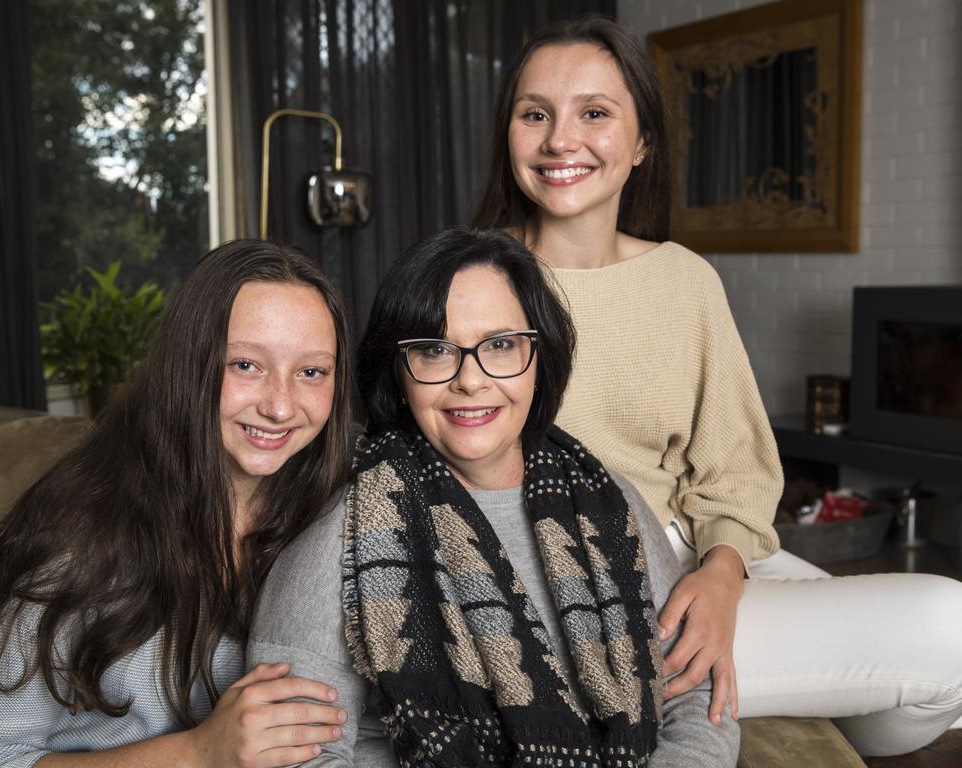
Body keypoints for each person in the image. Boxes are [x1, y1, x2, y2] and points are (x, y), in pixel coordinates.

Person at [471, 13, 962, 756]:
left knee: (948, 665)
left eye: (594, 113)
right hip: (590, 591)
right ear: (508, 132)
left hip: (702, 547)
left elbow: (733, 466)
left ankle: (774, 690)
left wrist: (724, 576)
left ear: (641, 144)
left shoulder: (684, 280)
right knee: (944, 631)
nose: (559, 140)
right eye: (534, 113)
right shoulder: (466, 283)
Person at [248, 228, 740, 767]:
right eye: (435, 351)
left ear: (540, 355)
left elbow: (693, 699)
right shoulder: (342, 539)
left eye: (501, 345)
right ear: (398, 370)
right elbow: (294, 761)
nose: (471, 380)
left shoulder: (609, 502)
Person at [0, 240, 353, 767]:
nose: (279, 405)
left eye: (311, 372)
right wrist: (199, 752)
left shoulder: (339, 517)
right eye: (246, 364)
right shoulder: (78, 536)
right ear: (189, 366)